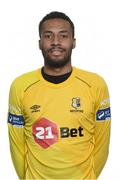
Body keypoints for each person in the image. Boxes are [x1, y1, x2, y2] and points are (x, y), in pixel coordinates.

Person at [8, 11, 111, 180]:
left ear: (74, 42)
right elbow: (16, 146)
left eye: (63, 35)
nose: (56, 42)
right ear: (40, 43)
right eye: (48, 36)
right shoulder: (20, 86)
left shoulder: (96, 85)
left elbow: (102, 142)